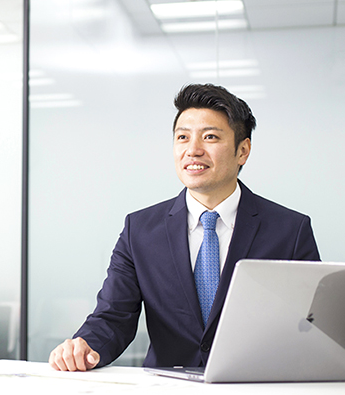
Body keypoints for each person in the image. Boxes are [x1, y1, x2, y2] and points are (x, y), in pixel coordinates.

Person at [49, 83, 320, 372]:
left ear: (242, 151)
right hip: (166, 386)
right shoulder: (139, 230)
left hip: (255, 385)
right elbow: (114, 316)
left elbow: (312, 324)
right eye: (182, 137)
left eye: (210, 137)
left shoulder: (290, 230)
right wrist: (86, 347)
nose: (193, 150)